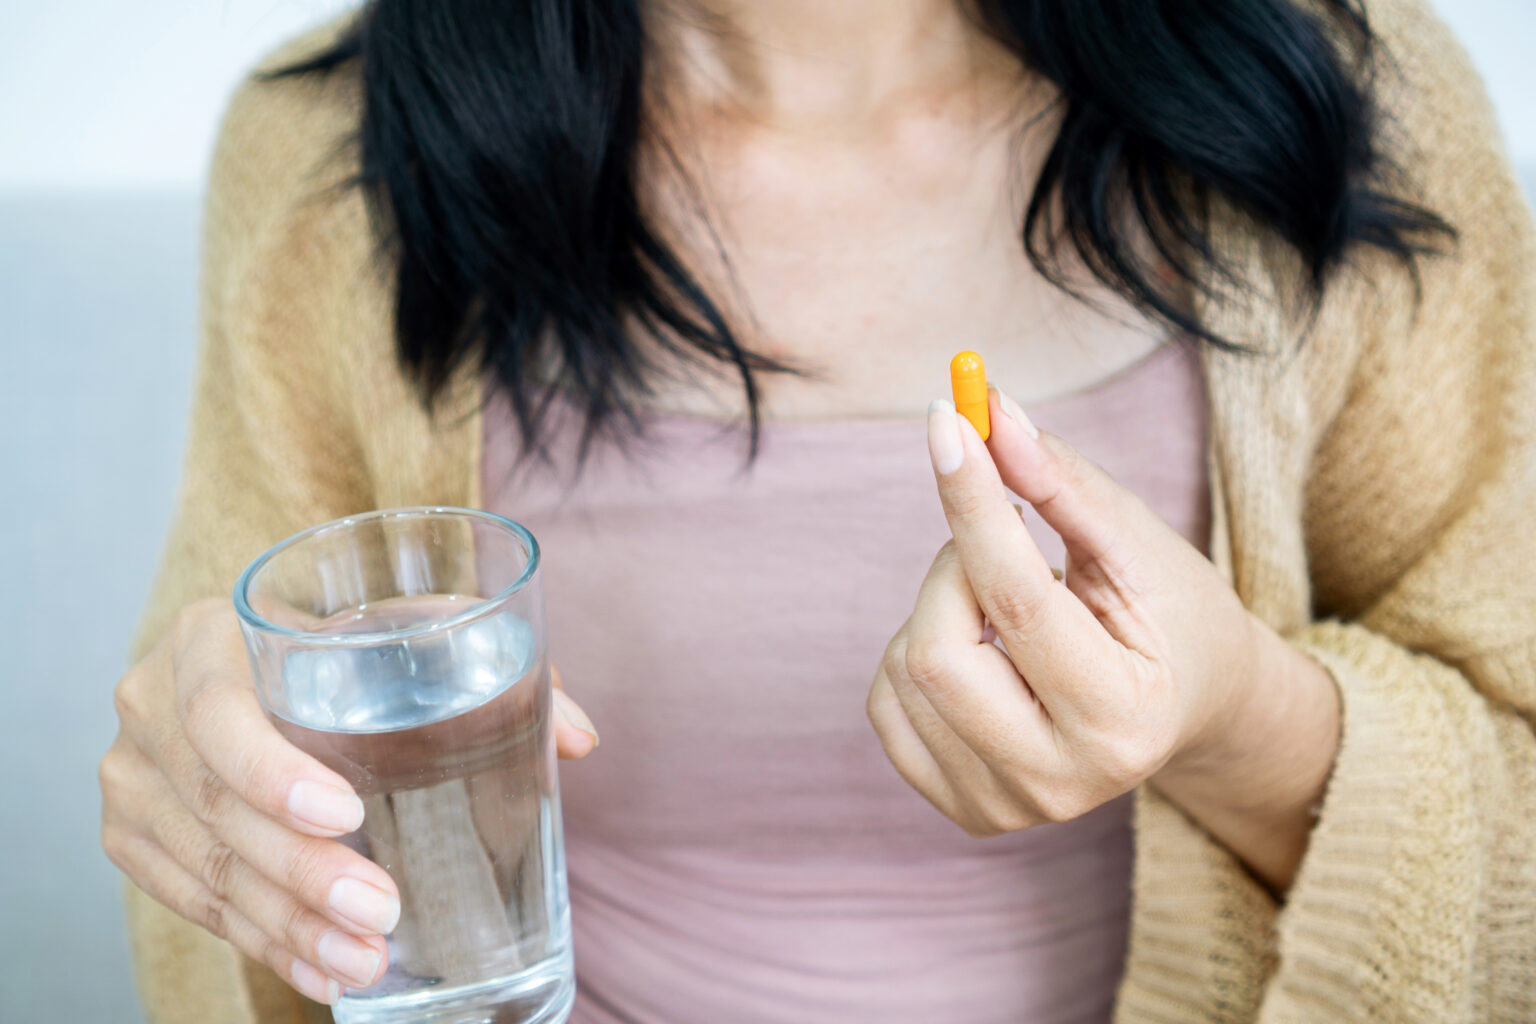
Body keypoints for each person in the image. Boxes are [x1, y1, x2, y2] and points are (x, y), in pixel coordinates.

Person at [98, 0, 1536, 1021]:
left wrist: (1232, 717)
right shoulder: (325, 159)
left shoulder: (1352, 89)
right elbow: (250, 864)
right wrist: (242, 832)